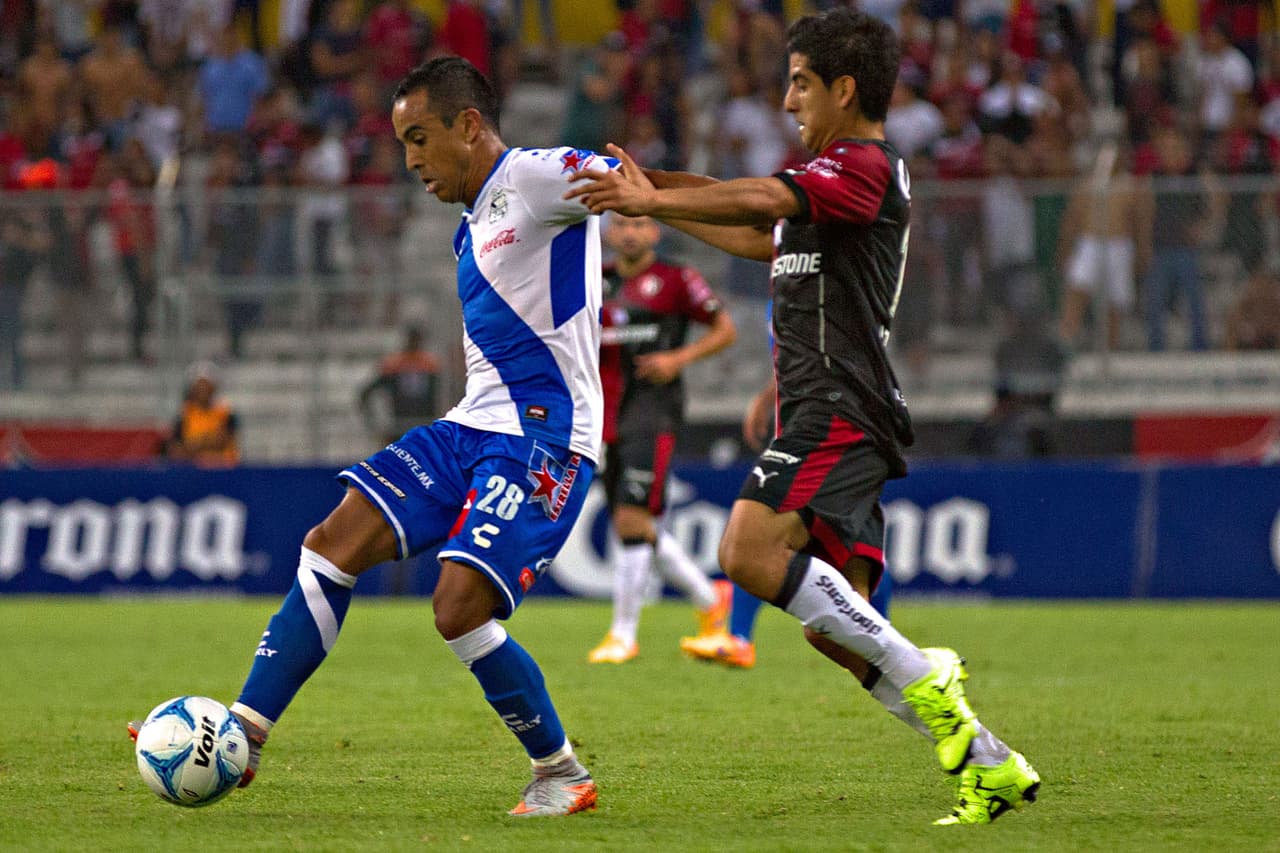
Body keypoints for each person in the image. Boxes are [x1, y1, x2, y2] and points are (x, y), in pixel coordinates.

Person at [565, 8, 1039, 825]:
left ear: (844, 89)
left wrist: (653, 197)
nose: (788, 100)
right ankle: (987, 758)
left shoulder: (865, 165)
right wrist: (656, 194)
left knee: (746, 550)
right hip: (823, 406)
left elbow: (764, 197)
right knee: (836, 629)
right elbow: (755, 226)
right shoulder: (826, 184)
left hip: (841, 407)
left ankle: (927, 671)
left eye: (800, 83)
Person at [131, 57, 612, 818]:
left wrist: (760, 208)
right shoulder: (471, 229)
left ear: (468, 125)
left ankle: (561, 770)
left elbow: (624, 177)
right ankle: (245, 735)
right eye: (402, 143)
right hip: (469, 428)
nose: (411, 159)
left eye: (419, 138)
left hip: (543, 440)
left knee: (457, 606)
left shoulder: (537, 177)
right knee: (331, 540)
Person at [587, 213, 738, 664]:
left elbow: (724, 329)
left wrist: (678, 358)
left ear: (654, 232)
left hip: (652, 411)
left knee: (632, 520)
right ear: (610, 233)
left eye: (640, 225)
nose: (630, 233)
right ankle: (710, 599)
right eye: (622, 225)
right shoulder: (594, 278)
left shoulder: (676, 279)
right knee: (630, 521)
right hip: (602, 413)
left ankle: (623, 635)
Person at [358, 325, 442, 446]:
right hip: (400, 426)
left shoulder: (430, 365)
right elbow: (366, 394)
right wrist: (373, 422)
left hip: (423, 425)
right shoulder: (395, 365)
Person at [166, 364, 241, 466]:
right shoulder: (184, 415)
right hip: (195, 472)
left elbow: (223, 440)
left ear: (213, 388)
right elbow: (176, 449)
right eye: (199, 386)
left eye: (206, 385)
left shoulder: (226, 413)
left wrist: (193, 445)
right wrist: (206, 442)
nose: (203, 390)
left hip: (223, 470)